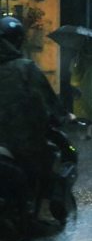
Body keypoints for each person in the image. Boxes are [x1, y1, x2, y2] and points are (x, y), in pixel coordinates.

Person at [0, 16, 69, 225]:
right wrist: (62, 117)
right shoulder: (26, 69)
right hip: (19, 143)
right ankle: (44, 211)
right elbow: (50, 102)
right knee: (50, 159)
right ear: (19, 41)